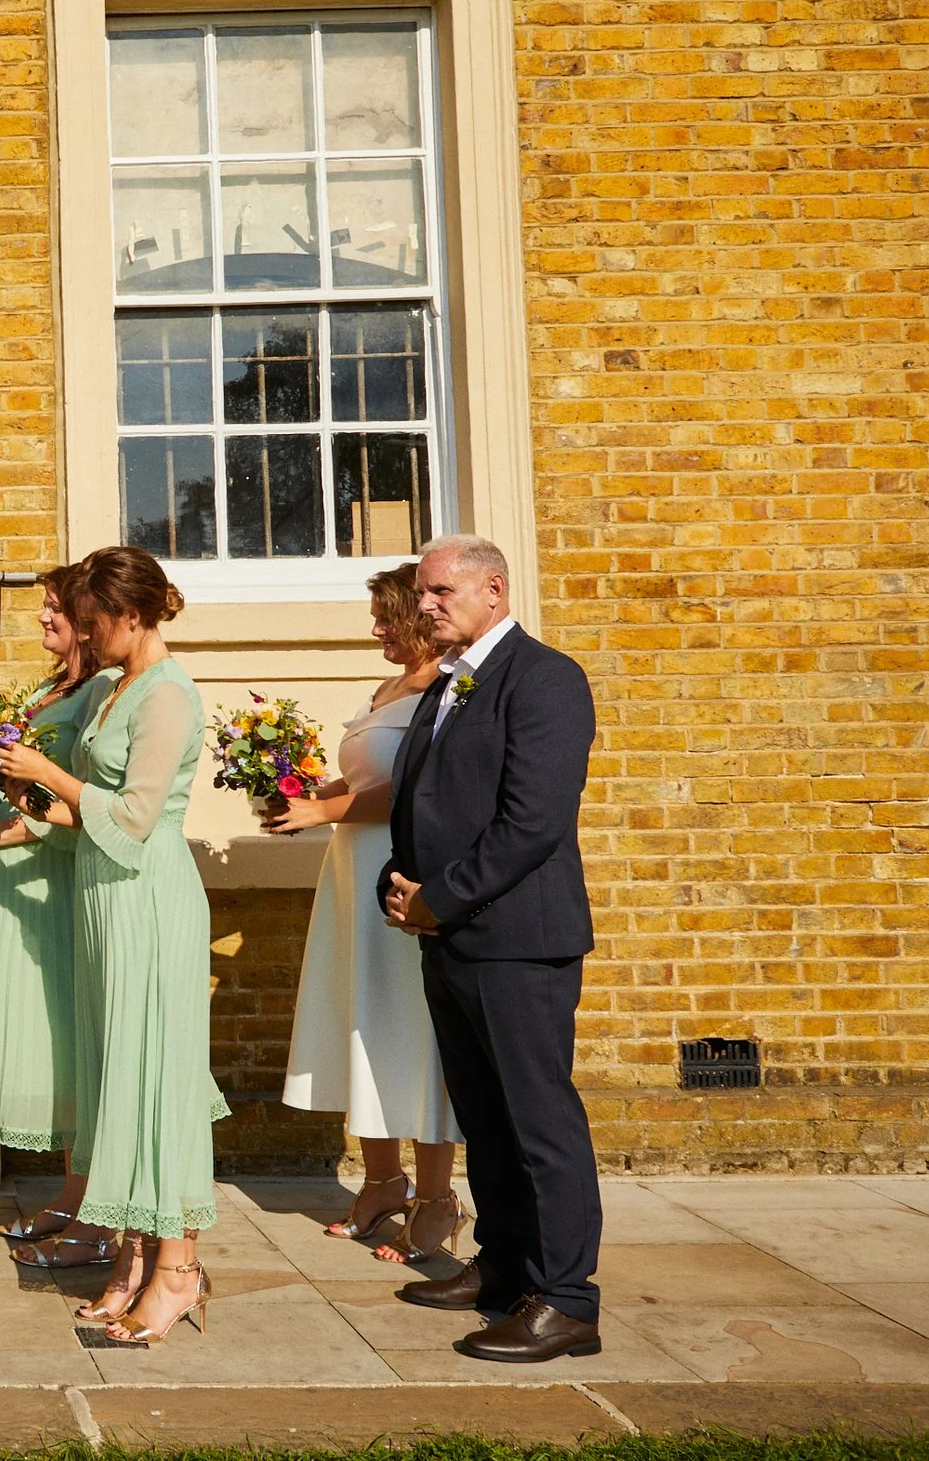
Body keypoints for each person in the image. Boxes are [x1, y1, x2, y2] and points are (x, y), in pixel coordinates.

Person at [0, 546, 227, 1347]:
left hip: (149, 899)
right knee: (116, 1078)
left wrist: (51, 776)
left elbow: (133, 816)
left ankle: (179, 1268)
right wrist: (35, 798)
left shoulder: (169, 694)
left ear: (134, 614)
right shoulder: (115, 686)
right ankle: (130, 1257)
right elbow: (89, 819)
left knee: (157, 1078)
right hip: (101, 894)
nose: (84, 635)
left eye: (94, 621)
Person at [380, 533, 603, 1363]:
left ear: (494, 590)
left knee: (539, 1122)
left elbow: (532, 822)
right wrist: (401, 885)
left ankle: (568, 1299)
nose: (425, 604)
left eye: (439, 590)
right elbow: (430, 800)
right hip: (452, 936)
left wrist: (439, 897)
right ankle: (507, 1269)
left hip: (519, 940)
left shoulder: (546, 679)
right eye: (422, 591)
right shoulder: (451, 681)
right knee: (486, 1119)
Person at [269, 563, 465, 1264]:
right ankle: (383, 1180)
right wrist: (299, 794)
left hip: (401, 874)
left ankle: (439, 1198)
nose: (377, 628)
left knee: (411, 1030)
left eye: (387, 616)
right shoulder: (389, 687)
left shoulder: (446, 690)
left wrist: (323, 809)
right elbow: (363, 780)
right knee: (364, 1023)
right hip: (351, 874)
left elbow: (413, 787)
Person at [0, 563, 119, 1254]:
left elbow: (82, 796)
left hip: (53, 884)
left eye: (54, 609)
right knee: (55, 1046)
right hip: (14, 886)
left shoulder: (101, 689)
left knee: (70, 1041)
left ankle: (97, 1213)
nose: (42, 618)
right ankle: (73, 1197)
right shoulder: (49, 688)